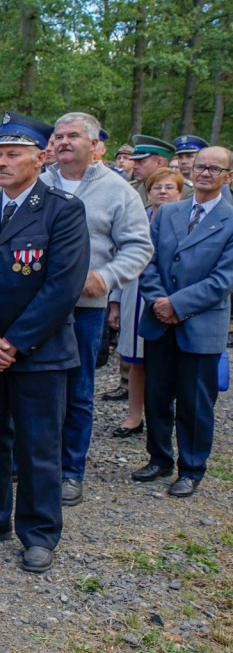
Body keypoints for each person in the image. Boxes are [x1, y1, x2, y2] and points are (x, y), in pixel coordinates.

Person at [0, 112, 90, 573]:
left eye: (13, 154)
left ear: (40, 158)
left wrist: (10, 343)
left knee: (37, 447)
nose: (2, 163)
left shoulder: (63, 210)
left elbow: (62, 288)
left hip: (37, 353)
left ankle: (39, 531)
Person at [40, 112, 153, 507]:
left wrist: (105, 279)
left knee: (77, 391)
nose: (64, 142)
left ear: (94, 143)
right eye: (58, 136)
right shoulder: (38, 182)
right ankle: (35, 462)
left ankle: (71, 471)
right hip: (34, 306)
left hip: (84, 308)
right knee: (33, 387)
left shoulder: (117, 190)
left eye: (73, 136)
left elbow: (139, 246)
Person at [134, 147, 233, 497]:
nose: (204, 173)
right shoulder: (169, 213)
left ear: (228, 176)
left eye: (214, 168)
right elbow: (148, 261)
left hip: (201, 325)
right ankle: (159, 457)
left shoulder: (230, 219)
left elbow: (223, 281)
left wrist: (176, 305)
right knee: (157, 395)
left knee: (195, 402)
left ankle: (191, 468)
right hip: (160, 320)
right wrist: (159, 302)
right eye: (201, 166)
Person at [108, 168, 185, 438]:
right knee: (136, 360)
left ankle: (164, 419)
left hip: (171, 299)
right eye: (156, 187)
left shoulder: (188, 220)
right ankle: (133, 416)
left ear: (179, 192)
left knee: (166, 363)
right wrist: (115, 303)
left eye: (169, 187)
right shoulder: (136, 218)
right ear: (148, 192)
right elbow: (119, 259)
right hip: (135, 296)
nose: (162, 192)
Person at [129, 135, 194, 206]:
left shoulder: (185, 190)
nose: (135, 166)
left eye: (141, 162)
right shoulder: (131, 188)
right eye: (135, 162)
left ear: (159, 162)